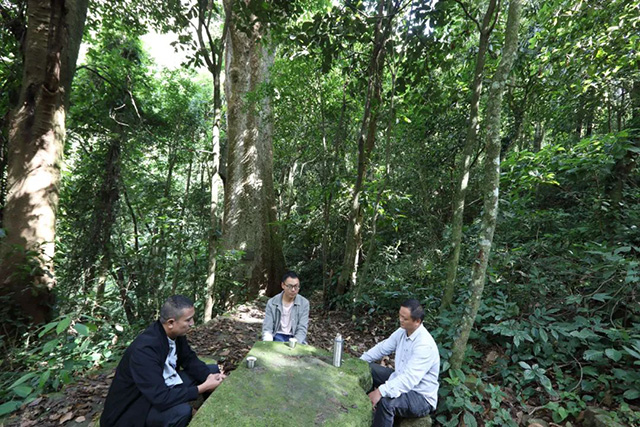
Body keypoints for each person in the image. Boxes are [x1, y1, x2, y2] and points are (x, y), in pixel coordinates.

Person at [100, 295, 225, 427]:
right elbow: (161, 398)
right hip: (134, 408)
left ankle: (210, 414)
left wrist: (209, 377)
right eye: (188, 320)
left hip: (162, 385)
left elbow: (189, 359)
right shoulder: (145, 350)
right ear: (171, 323)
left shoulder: (174, 334)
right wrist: (203, 387)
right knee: (181, 412)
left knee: (211, 371)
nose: (192, 323)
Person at [360, 299, 440, 427]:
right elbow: (383, 348)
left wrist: (380, 391)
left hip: (421, 396)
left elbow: (409, 379)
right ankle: (366, 410)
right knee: (368, 369)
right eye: (400, 316)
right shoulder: (402, 331)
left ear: (417, 321)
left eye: (405, 318)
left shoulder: (424, 345)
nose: (400, 320)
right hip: (399, 377)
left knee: (387, 402)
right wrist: (359, 361)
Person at [262, 271, 310, 343]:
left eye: (296, 286)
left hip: (295, 337)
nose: (293, 290)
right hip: (277, 335)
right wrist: (268, 343)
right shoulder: (272, 302)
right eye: (290, 286)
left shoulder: (304, 303)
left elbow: (302, 328)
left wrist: (296, 342)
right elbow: (267, 328)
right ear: (283, 285)